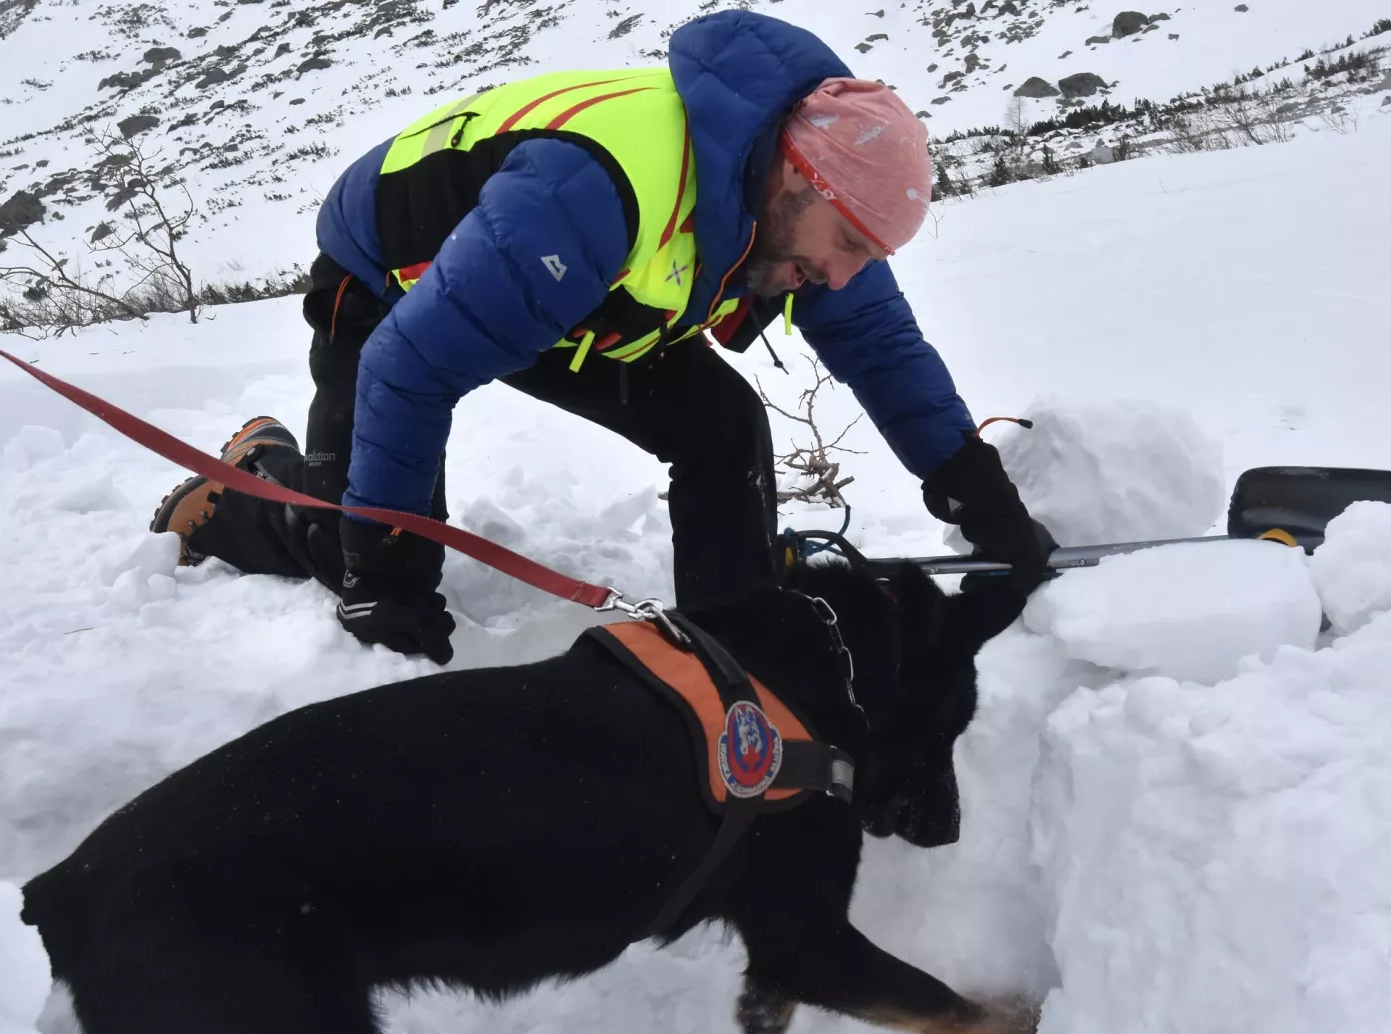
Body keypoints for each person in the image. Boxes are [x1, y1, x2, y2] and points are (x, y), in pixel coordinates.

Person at [152, 10, 1053, 665]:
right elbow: (409, 367)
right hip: (389, 281)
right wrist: (387, 573)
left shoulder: (805, 206)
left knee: (719, 425)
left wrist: (966, 480)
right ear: (794, 181)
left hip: (567, 297)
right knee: (359, 534)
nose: (851, 270)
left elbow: (882, 348)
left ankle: (731, 643)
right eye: (850, 244)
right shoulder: (590, 195)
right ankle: (241, 494)